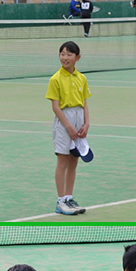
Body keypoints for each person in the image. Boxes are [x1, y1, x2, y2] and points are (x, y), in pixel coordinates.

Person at [46, 40, 91, 217]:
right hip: (64, 122)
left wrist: (86, 123)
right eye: (62, 54)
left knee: (74, 162)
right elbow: (56, 107)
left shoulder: (82, 78)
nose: (65, 57)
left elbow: (85, 102)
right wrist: (69, 127)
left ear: (77, 58)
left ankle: (69, 198)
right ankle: (60, 201)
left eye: (69, 54)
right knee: (62, 162)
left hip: (79, 120)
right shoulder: (55, 79)